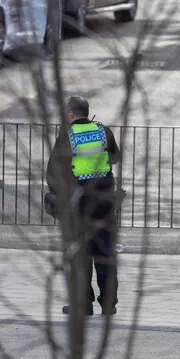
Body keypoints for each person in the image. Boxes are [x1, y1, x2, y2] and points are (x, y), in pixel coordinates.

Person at [46, 95, 120, 316]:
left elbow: (53, 171)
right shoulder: (103, 131)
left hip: (79, 203)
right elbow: (115, 157)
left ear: (71, 114)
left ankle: (83, 304)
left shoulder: (67, 135)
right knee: (105, 252)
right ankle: (108, 303)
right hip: (105, 201)